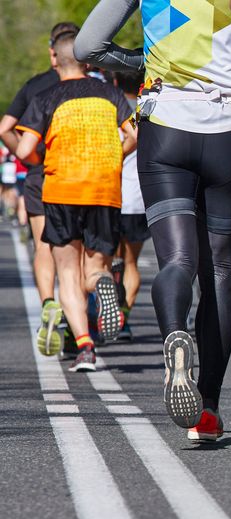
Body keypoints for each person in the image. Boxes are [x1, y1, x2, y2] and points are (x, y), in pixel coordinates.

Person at [77, 0, 231, 442]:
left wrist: (138, 60)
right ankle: (208, 409)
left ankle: (174, 336)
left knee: (178, 261)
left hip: (166, 121)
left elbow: (89, 46)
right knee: (220, 268)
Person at [15, 31, 137, 373]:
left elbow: (24, 151)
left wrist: (44, 160)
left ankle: (85, 347)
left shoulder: (47, 97)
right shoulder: (110, 93)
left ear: (58, 61)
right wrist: (116, 156)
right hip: (104, 190)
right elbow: (134, 136)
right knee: (95, 268)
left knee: (67, 271)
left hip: (61, 191)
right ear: (86, 62)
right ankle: (102, 284)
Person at [1, 21, 79, 358]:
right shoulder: (93, 84)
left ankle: (49, 303)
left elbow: (5, 127)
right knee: (76, 255)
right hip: (81, 177)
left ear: (53, 51)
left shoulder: (36, 87)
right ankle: (78, 326)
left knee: (44, 247)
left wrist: (32, 156)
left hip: (40, 175)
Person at [111, 70, 150, 344]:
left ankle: (106, 312)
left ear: (114, 81)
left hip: (111, 196)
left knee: (108, 261)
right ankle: (123, 319)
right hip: (139, 198)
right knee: (131, 263)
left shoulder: (110, 108)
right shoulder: (147, 109)